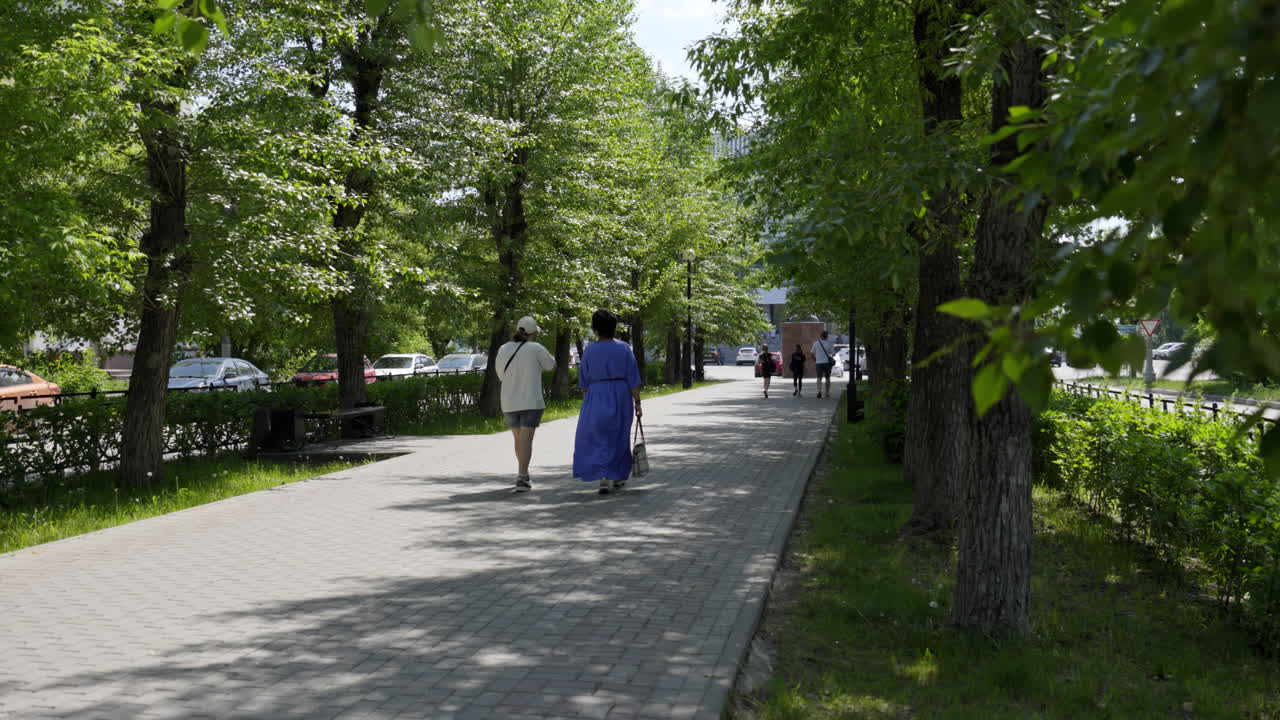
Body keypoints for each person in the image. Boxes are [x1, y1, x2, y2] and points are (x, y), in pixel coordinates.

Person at [573, 309, 643, 495]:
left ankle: (603, 477)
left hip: (596, 394)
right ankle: (617, 475)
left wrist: (587, 403)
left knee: (598, 436)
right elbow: (633, 379)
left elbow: (584, 382)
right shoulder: (624, 348)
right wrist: (637, 403)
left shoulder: (589, 350)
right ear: (614, 327)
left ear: (595, 329)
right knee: (619, 435)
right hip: (620, 394)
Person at [494, 316, 556, 492]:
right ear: (533, 332)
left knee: (519, 439)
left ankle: (524, 474)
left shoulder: (503, 349)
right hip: (530, 400)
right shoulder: (536, 348)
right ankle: (521, 478)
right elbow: (551, 366)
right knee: (526, 439)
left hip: (508, 401)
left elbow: (500, 375)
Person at [811, 330, 836, 399]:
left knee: (819, 378)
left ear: (821, 336)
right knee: (827, 378)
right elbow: (833, 354)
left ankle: (819, 391)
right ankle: (827, 393)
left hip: (818, 363)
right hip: (827, 363)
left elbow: (812, 353)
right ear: (827, 336)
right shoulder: (829, 344)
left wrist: (815, 360)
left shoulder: (816, 343)